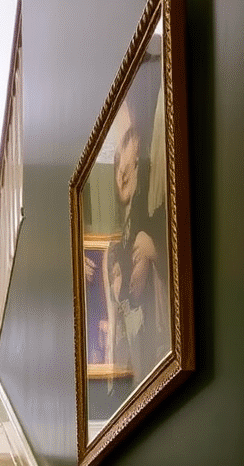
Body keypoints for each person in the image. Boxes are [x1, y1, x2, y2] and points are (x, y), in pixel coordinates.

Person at [105, 122, 169, 383]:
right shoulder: (124, 232)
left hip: (155, 322)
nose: (122, 175)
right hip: (140, 327)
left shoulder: (151, 212)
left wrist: (149, 249)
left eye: (130, 168)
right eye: (119, 169)